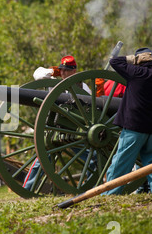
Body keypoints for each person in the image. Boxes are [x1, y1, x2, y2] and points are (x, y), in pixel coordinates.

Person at [24, 55, 103, 190]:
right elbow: (37, 74)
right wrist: (51, 71)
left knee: (93, 158)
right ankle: (27, 189)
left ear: (74, 71)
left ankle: (90, 187)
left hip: (74, 131)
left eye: (66, 70)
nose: (63, 73)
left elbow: (91, 108)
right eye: (61, 70)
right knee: (42, 161)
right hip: (56, 129)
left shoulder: (82, 87)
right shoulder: (53, 82)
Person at [103, 48, 152, 195]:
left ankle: (110, 193)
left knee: (122, 162)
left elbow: (114, 61)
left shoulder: (136, 73)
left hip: (135, 127)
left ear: (139, 61)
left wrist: (133, 59)